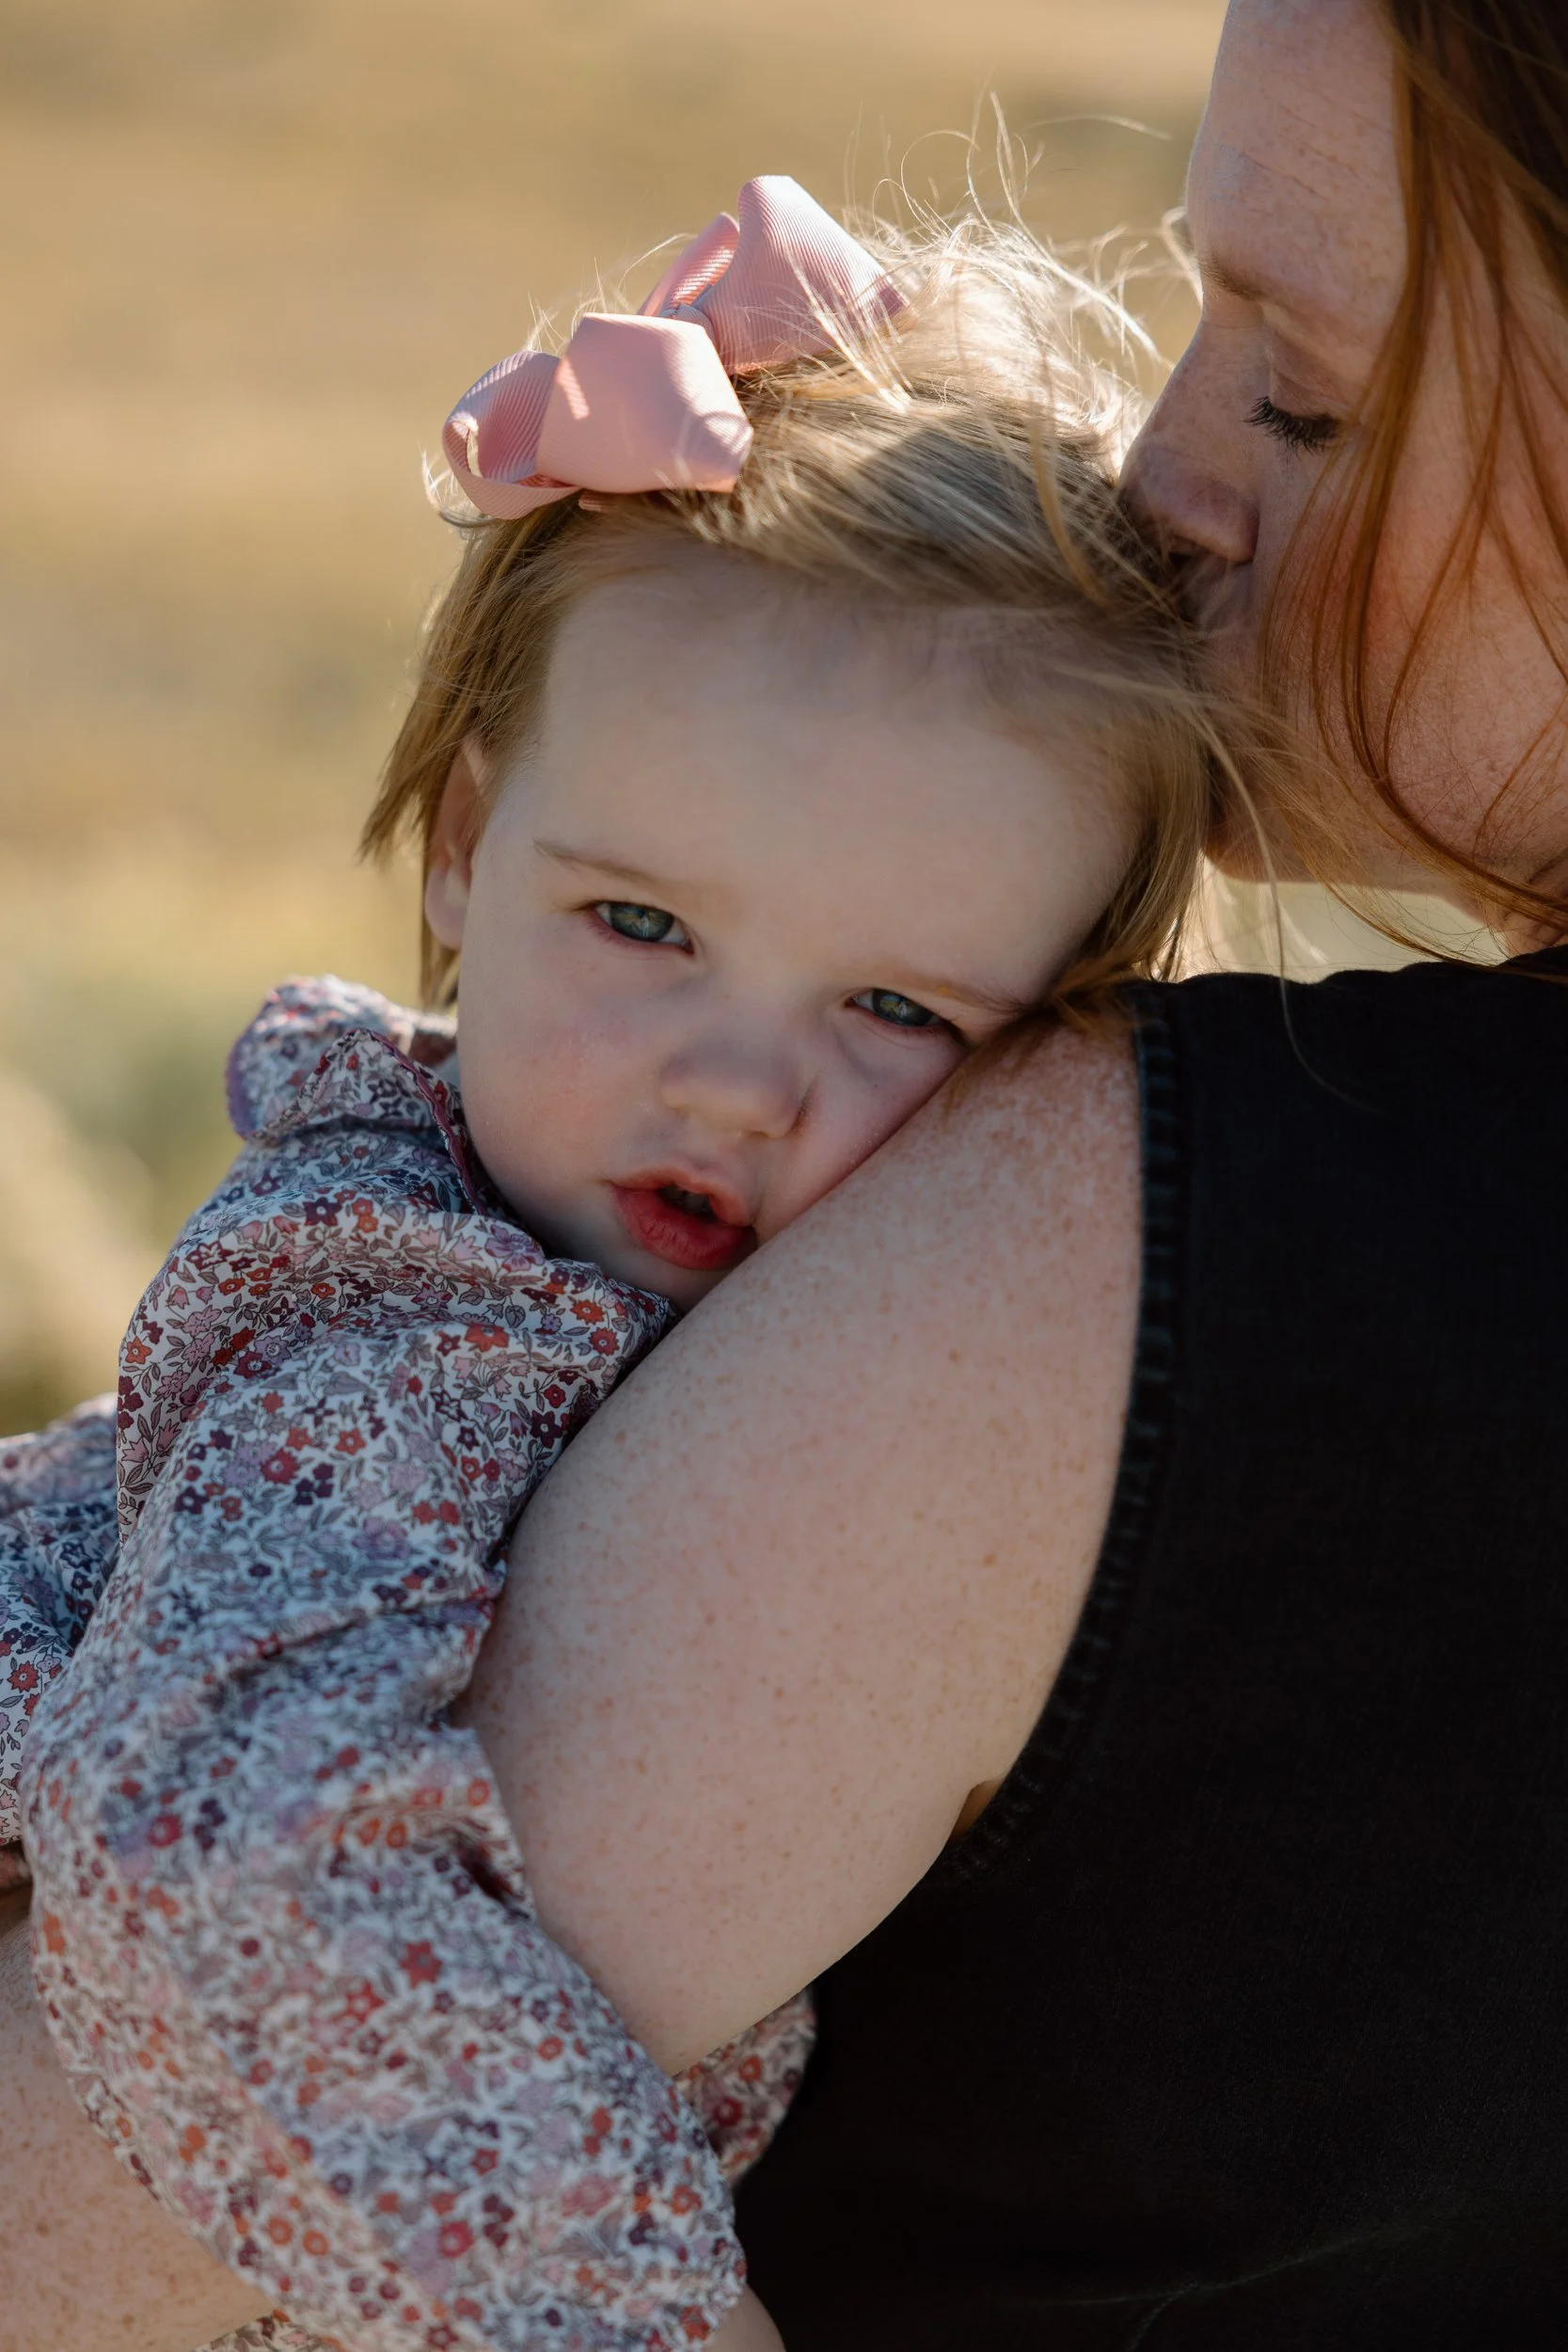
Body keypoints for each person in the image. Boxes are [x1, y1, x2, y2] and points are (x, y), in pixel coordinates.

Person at [8, 0, 1568, 2344]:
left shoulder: (1080, 1237)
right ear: (463, 853)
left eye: (1311, 395)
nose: (741, 1080)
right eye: (640, 925)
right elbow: (223, 1863)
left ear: (1064, 985)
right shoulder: (392, 1302)